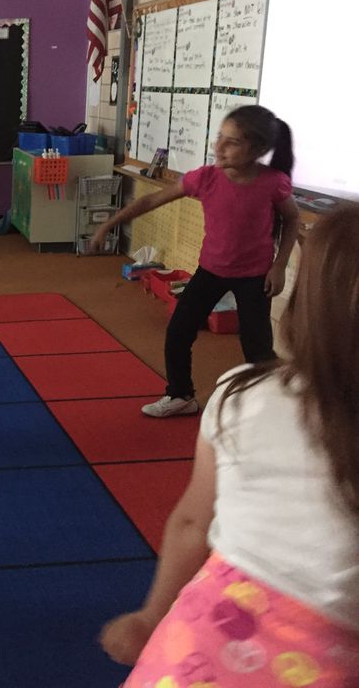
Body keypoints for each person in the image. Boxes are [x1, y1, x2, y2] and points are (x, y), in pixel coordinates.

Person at [99, 203, 359, 687]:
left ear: (305, 306)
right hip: (319, 663)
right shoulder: (246, 394)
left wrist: (152, 617)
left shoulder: (244, 394)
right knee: (182, 329)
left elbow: (193, 521)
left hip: (198, 644)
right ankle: (178, 392)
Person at [90, 105, 300, 417]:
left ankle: (268, 408)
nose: (219, 146)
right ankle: (180, 395)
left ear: (257, 150)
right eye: (219, 137)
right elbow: (152, 199)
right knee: (178, 332)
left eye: (232, 142)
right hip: (211, 271)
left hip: (255, 276)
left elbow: (292, 220)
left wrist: (279, 265)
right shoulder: (205, 178)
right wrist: (109, 224)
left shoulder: (273, 182)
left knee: (257, 348)